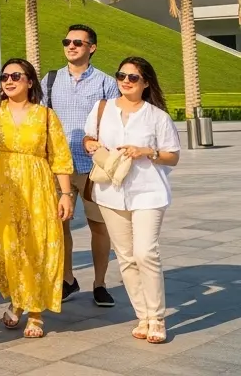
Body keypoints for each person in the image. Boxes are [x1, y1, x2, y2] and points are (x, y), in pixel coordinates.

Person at [0, 58, 75, 339]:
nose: (9, 80)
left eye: (16, 75)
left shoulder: (46, 116)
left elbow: (61, 157)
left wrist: (65, 194)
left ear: (30, 81)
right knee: (3, 247)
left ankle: (35, 311)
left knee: (35, 245)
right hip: (3, 185)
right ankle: (17, 298)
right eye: (4, 76)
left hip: (37, 185)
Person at [84, 56, 180, 344]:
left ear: (145, 83)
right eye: (121, 75)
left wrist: (146, 152)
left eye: (133, 77)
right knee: (125, 257)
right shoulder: (103, 109)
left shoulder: (157, 116)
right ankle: (143, 317)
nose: (125, 81)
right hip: (110, 193)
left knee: (145, 253)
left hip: (149, 192)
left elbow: (172, 156)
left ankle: (158, 318)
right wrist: (90, 145)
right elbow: (89, 138)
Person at [46, 24, 119, 305]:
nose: (71, 46)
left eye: (78, 42)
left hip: (92, 169)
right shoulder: (50, 80)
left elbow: (115, 123)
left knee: (98, 226)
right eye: (67, 41)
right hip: (57, 168)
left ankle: (100, 284)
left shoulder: (105, 83)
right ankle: (67, 280)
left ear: (92, 47)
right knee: (59, 227)